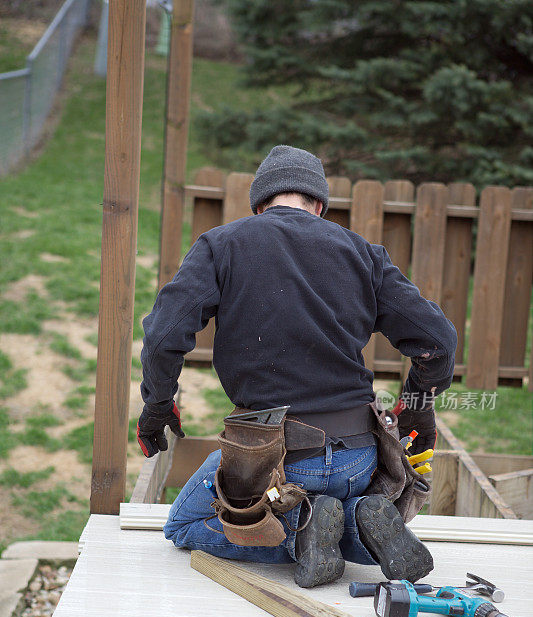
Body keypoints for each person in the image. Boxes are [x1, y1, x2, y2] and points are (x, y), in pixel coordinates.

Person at [137, 145, 457, 588]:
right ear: (319, 206)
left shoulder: (222, 245)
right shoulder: (363, 254)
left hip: (275, 462)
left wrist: (157, 405)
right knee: (343, 503)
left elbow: (162, 337)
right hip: (359, 459)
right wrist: (417, 405)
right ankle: (360, 521)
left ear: (259, 205)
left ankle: (296, 535)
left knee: (182, 526)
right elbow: (438, 342)